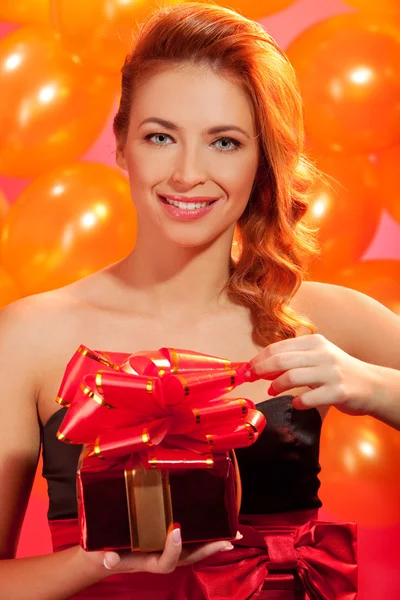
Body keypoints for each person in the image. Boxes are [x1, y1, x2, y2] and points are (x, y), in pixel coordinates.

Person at [0, 1, 399, 598]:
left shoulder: (326, 316)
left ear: (262, 160)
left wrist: (372, 386)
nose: (188, 173)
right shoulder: (29, 335)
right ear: (121, 146)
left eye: (225, 142)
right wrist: (98, 562)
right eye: (160, 136)